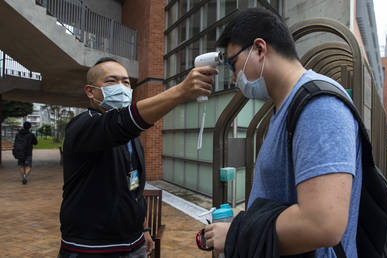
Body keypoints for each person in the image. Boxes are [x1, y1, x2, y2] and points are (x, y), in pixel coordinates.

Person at [204, 8, 362, 258]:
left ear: (259, 49)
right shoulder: (285, 107)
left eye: (233, 64)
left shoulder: (318, 106)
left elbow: (323, 224)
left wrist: (236, 235)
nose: (235, 78)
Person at [59, 57, 217, 257]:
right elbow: (119, 123)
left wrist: (143, 231)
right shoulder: (83, 127)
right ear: (90, 91)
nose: (122, 87)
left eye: (126, 82)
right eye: (111, 81)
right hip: (91, 248)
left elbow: (133, 189)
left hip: (134, 245)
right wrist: (180, 91)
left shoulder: (132, 139)